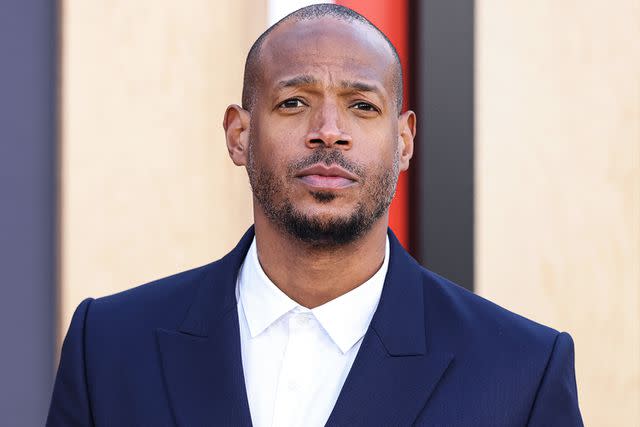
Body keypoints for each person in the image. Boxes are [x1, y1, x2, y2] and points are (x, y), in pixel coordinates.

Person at [47, 4, 583, 426]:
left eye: (363, 106)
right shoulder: (110, 347)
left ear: (404, 141)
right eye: (294, 102)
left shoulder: (521, 371)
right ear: (239, 134)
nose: (329, 130)